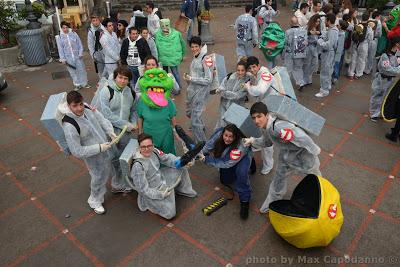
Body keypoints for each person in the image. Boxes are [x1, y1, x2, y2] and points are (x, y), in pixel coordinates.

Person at [245, 102, 321, 213]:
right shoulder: (266, 127)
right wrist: (253, 141)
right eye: (254, 118)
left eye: (259, 116)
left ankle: (321, 200)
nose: (256, 121)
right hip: (286, 156)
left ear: (266, 115)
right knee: (278, 181)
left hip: (303, 155)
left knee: (315, 179)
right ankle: (271, 204)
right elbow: (266, 141)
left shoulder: (278, 126)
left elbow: (302, 137)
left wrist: (314, 149)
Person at [60, 91, 116, 214]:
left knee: (108, 168)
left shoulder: (86, 107)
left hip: (104, 146)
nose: (79, 108)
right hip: (93, 156)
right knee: (98, 177)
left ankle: (112, 188)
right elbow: (77, 151)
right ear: (69, 106)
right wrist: (99, 148)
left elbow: (100, 119)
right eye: (75, 106)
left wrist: (109, 131)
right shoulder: (69, 125)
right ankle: (94, 200)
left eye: (80, 104)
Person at [129, 133, 197, 219]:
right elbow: (143, 190)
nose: (147, 149)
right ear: (139, 147)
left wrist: (182, 161)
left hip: (160, 178)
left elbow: (167, 159)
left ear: (153, 145)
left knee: (182, 168)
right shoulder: (137, 166)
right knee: (170, 213)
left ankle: (184, 190)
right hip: (151, 190)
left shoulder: (154, 151)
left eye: (149, 146)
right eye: (143, 147)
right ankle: (147, 204)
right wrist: (160, 194)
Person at [95, 66, 137, 194]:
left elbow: (133, 110)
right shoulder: (106, 91)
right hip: (110, 132)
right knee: (114, 158)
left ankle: (127, 181)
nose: (122, 81)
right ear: (115, 77)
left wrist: (134, 122)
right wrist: (127, 125)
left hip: (125, 132)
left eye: (126, 78)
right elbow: (106, 114)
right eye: (120, 77)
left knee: (126, 157)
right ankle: (117, 183)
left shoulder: (130, 91)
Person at [199, 124, 253, 219]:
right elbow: (208, 145)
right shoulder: (220, 132)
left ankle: (245, 201)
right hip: (230, 155)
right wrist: (199, 154)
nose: (227, 138)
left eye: (230, 136)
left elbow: (227, 163)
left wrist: (206, 160)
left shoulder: (241, 145)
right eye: (226, 135)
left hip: (241, 156)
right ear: (223, 133)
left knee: (241, 173)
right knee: (225, 180)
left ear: (235, 137)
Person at [243, 56, 275, 175]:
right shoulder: (255, 74)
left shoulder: (265, 74)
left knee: (268, 137)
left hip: (271, 109)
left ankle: (268, 164)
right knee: (260, 129)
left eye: (254, 67)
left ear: (258, 65)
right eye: (250, 68)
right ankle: (258, 144)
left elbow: (260, 90)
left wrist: (248, 87)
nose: (252, 70)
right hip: (263, 106)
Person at [137, 67, 178, 155]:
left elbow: (173, 118)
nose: (156, 81)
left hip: (166, 134)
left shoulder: (169, 102)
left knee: (167, 155)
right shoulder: (142, 102)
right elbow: (140, 118)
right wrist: (140, 133)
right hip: (149, 135)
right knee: (152, 156)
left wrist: (177, 132)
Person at [183, 36, 213, 143]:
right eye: (192, 47)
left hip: (201, 93)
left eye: (196, 46)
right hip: (193, 91)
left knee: (195, 120)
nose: (194, 48)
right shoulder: (195, 58)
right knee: (192, 114)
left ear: (200, 46)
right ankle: (201, 128)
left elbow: (208, 79)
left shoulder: (206, 59)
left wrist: (191, 79)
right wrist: (188, 79)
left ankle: (201, 144)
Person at [369, 36, 400, 122]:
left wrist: (396, 70)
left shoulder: (398, 54)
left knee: (386, 97)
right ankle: (374, 114)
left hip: (391, 80)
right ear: (397, 44)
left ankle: (381, 112)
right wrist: (397, 70)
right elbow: (387, 69)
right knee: (377, 96)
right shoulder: (385, 55)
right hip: (382, 79)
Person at [215, 59, 250, 129]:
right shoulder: (230, 76)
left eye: (242, 70)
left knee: (232, 129)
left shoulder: (247, 83)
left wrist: (223, 92)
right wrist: (220, 90)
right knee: (221, 126)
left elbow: (237, 96)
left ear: (246, 71)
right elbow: (222, 86)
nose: (240, 72)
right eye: (238, 70)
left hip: (235, 109)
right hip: (223, 106)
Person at [57, 21, 90, 91]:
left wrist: (80, 53)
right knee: (72, 72)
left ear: (69, 28)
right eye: (63, 28)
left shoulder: (74, 34)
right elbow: (60, 49)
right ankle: (77, 84)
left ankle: (84, 83)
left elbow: (79, 44)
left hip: (77, 56)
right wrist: (63, 59)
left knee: (81, 70)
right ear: (61, 28)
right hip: (68, 58)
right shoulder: (60, 37)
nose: (65, 29)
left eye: (66, 27)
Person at [155, 19, 186, 92]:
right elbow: (183, 44)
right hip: (172, 58)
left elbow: (155, 46)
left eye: (166, 25)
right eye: (163, 26)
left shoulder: (157, 34)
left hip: (163, 58)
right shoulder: (176, 33)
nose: (165, 27)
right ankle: (178, 87)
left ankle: (167, 88)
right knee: (175, 73)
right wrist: (183, 54)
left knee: (165, 73)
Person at [315, 13, 338, 98]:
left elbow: (328, 44)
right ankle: (327, 86)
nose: (324, 22)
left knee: (325, 71)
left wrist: (320, 42)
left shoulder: (333, 31)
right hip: (328, 53)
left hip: (328, 53)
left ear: (328, 21)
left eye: (325, 20)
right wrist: (321, 39)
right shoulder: (330, 29)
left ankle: (324, 90)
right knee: (328, 71)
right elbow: (323, 36)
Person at [283, 16, 307, 91]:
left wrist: (283, 54)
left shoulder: (288, 32)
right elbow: (305, 42)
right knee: (298, 68)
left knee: (288, 69)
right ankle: (301, 83)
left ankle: (286, 85)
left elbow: (286, 43)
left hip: (289, 53)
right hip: (299, 52)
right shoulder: (303, 31)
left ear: (291, 23)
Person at [348, 13, 373, 80]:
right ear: (368, 19)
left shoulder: (357, 25)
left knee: (353, 58)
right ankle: (358, 74)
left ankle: (351, 73)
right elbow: (370, 38)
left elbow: (353, 35)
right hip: (364, 44)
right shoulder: (369, 27)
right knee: (361, 60)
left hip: (355, 44)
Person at [303, 14, 321, 86]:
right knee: (307, 63)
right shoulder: (308, 27)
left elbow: (321, 35)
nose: (317, 23)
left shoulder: (317, 28)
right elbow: (303, 35)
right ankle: (305, 80)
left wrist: (319, 33)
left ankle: (308, 77)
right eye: (316, 21)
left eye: (319, 21)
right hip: (309, 47)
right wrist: (309, 33)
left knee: (315, 63)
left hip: (315, 47)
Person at [332, 20, 348, 84]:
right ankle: (335, 76)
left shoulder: (342, 34)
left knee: (336, 64)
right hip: (339, 52)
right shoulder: (341, 33)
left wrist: (337, 53)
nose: (337, 25)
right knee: (337, 64)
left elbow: (340, 46)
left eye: (338, 24)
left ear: (341, 26)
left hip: (338, 52)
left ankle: (335, 77)